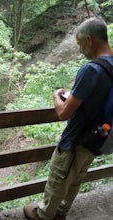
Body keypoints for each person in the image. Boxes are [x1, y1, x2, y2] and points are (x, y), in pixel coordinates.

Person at [23, 17, 113, 220]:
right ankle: (61, 212)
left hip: (76, 137)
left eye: (80, 44)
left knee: (58, 177)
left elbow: (64, 113)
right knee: (75, 178)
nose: (81, 50)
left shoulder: (91, 69)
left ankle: (44, 215)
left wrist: (57, 96)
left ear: (90, 40)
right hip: (98, 136)